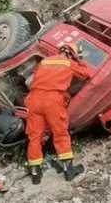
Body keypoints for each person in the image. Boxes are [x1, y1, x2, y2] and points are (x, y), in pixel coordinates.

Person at [25, 43, 90, 185]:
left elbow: (35, 79)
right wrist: (80, 60)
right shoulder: (69, 63)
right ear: (72, 54)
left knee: (34, 137)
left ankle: (35, 174)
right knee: (60, 133)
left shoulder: (44, 61)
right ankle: (69, 171)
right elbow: (86, 73)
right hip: (52, 100)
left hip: (34, 99)